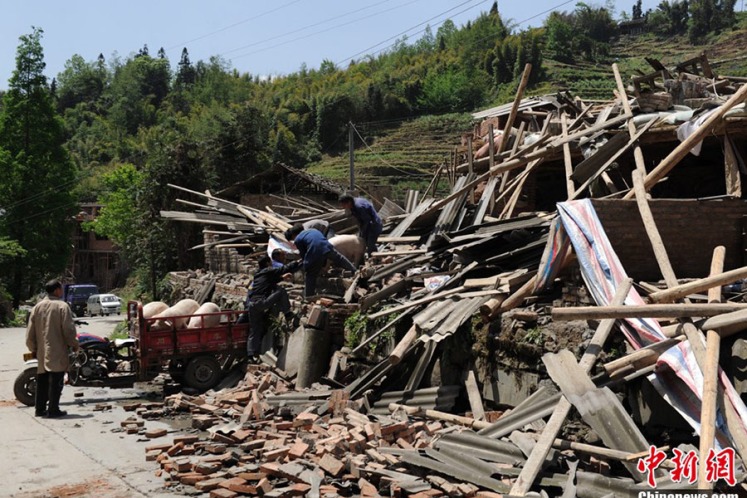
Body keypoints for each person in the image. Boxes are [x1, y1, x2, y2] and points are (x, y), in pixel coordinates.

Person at [25, 279, 79, 418]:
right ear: (56, 290)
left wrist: (33, 348)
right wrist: (74, 344)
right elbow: (68, 329)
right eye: (61, 288)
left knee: (42, 380)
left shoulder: (37, 307)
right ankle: (53, 409)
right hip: (57, 349)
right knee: (56, 381)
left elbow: (30, 331)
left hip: (42, 351)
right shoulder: (62, 306)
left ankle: (40, 409)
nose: (62, 291)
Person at [244, 255, 301, 363]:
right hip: (261, 302)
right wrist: (296, 262)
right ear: (267, 263)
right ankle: (287, 313)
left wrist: (282, 278)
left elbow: (270, 281)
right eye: (270, 262)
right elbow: (283, 269)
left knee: (254, 330)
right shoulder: (267, 270)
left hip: (252, 305)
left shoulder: (258, 275)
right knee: (281, 291)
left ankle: (250, 355)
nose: (271, 264)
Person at [284, 223, 356, 298]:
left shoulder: (298, 239)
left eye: (292, 239)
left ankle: (309, 296)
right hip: (326, 247)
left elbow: (304, 255)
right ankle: (354, 270)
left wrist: (305, 265)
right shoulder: (312, 230)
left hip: (314, 251)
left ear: (293, 236)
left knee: (310, 275)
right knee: (340, 259)